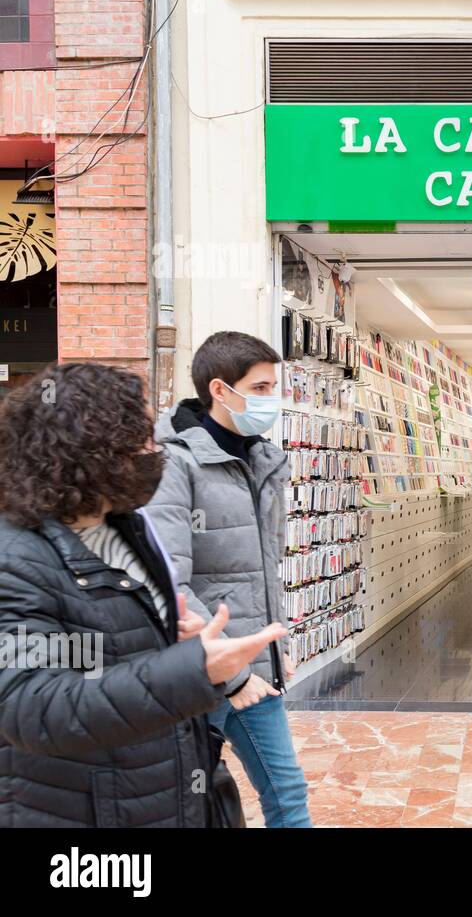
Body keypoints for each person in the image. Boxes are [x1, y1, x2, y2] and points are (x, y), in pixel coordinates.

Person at [0, 363, 284, 827]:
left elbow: (111, 650)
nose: (155, 449)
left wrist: (170, 637)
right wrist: (193, 669)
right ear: (89, 448)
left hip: (153, 793)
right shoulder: (16, 557)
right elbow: (32, 705)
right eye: (140, 438)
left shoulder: (124, 526)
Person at [146, 331, 312, 828]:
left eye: (273, 387)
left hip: (250, 666)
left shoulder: (261, 460)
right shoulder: (174, 463)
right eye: (260, 388)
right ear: (220, 390)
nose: (272, 399)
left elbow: (259, 570)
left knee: (271, 793)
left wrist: (272, 646)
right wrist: (233, 672)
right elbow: (167, 582)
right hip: (211, 669)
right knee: (254, 797)